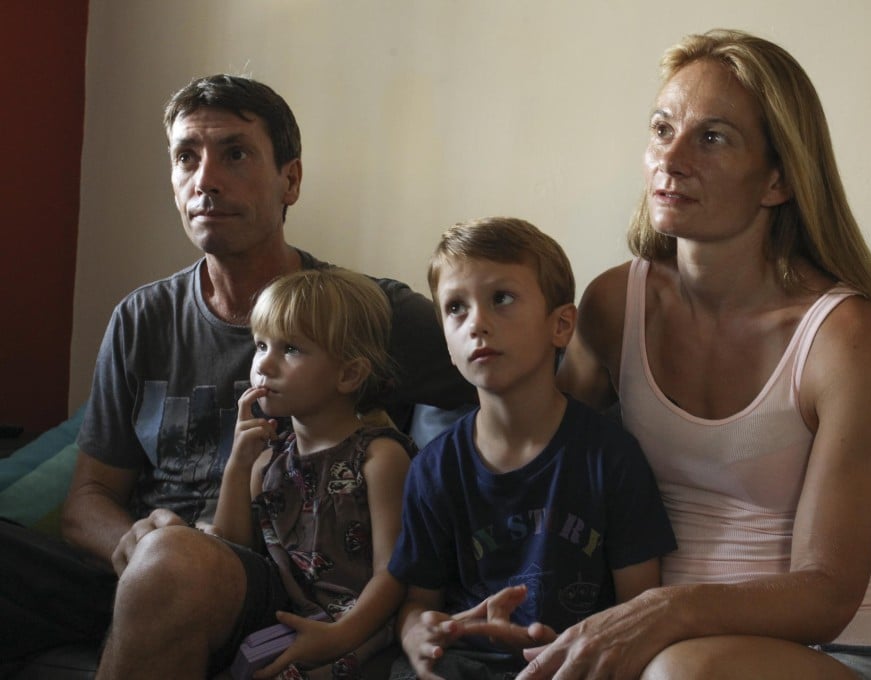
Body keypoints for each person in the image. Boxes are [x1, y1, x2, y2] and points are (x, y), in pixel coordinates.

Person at [0, 74, 473, 677]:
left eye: (236, 154)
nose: (206, 180)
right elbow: (87, 499)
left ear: (290, 181)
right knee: (162, 559)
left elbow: (518, 383)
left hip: (272, 584)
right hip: (133, 569)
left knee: (176, 563)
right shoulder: (142, 318)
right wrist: (132, 540)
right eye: (186, 158)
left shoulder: (367, 314)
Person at [522, 29, 871, 680]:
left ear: (778, 179)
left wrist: (663, 610)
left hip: (836, 652)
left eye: (712, 137)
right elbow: (536, 476)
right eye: (662, 129)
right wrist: (434, 608)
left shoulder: (848, 338)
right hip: (653, 641)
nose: (670, 158)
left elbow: (827, 593)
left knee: (681, 673)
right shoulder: (615, 304)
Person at [386, 217, 677, 680]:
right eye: (456, 308)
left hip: (575, 663)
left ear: (561, 326)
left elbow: (638, 609)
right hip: (465, 665)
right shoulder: (433, 469)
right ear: (446, 342)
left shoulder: (611, 458)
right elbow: (418, 604)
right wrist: (416, 636)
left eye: (501, 298)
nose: (477, 323)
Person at [210, 268, 413, 678]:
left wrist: (338, 636)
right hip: (285, 626)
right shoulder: (267, 462)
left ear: (348, 374)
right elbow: (232, 555)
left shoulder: (380, 458)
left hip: (359, 632)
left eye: (291, 349)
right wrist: (237, 466)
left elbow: (393, 573)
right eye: (261, 345)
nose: (264, 364)